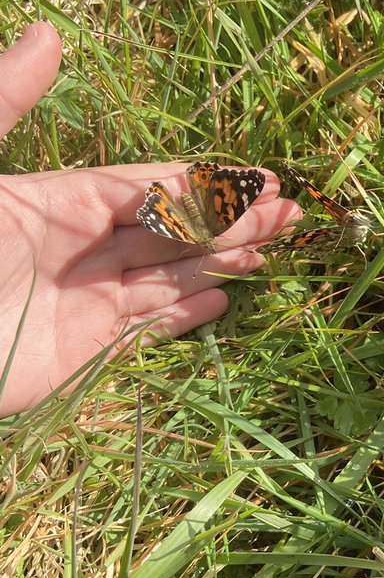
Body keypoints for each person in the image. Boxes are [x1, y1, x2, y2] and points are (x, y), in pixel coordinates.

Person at [0, 22, 300, 417]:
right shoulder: (206, 231)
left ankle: (179, 196)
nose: (207, 248)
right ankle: (186, 192)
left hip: (181, 212)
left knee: (198, 228)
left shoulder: (199, 234)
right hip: (187, 210)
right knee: (202, 226)